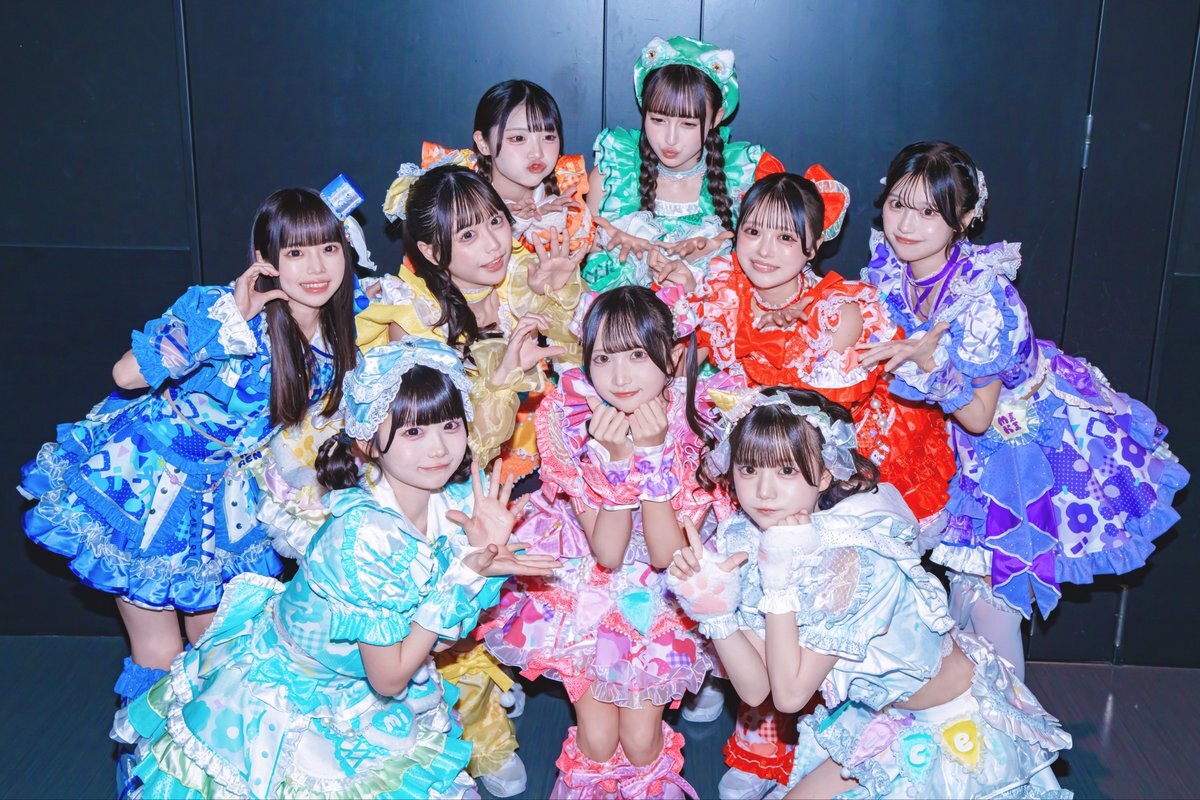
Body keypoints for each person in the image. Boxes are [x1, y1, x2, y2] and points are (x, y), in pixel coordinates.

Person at [114, 337, 559, 798]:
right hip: (291, 696)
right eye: (413, 432)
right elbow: (390, 677)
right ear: (368, 443)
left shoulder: (456, 503)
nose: (439, 448)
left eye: (450, 425)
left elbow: (439, 641)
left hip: (361, 685)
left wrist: (477, 565)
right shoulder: (365, 536)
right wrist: (464, 578)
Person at [858, 141, 1189, 678]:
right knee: (960, 605)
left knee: (992, 607)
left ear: (966, 217)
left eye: (929, 212)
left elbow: (978, 417)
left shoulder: (983, 298)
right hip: (944, 436)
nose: (906, 225)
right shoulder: (892, 267)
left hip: (1015, 448)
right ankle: (969, 717)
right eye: (898, 204)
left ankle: (1014, 725)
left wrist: (927, 364)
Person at [20, 187, 358, 709]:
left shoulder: (338, 340)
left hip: (227, 495)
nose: (316, 267)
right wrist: (226, 320)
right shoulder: (219, 309)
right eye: (296, 252)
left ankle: (198, 758)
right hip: (147, 479)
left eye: (328, 248)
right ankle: (144, 760)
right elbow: (126, 375)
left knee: (218, 651)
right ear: (265, 260)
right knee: (159, 653)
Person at [669, 386, 1074, 798]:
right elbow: (757, 690)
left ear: (824, 474)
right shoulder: (755, 540)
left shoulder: (853, 557)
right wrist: (715, 611)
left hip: (956, 725)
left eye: (786, 470)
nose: (764, 491)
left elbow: (790, 696)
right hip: (884, 717)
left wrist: (779, 578)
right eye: (749, 469)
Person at [483, 286, 738, 798]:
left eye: (637, 356)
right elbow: (608, 553)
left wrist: (653, 454)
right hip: (591, 584)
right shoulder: (571, 418)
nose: (619, 377)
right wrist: (618, 463)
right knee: (598, 744)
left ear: (672, 357)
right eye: (603, 358)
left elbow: (665, 556)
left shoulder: (700, 422)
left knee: (642, 746)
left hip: (666, 590)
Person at [584, 35, 784, 292]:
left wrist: (707, 268)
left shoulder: (743, 177)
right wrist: (624, 258)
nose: (670, 139)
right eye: (658, 120)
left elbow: (769, 273)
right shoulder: (613, 174)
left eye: (688, 124)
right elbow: (590, 281)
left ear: (716, 118)